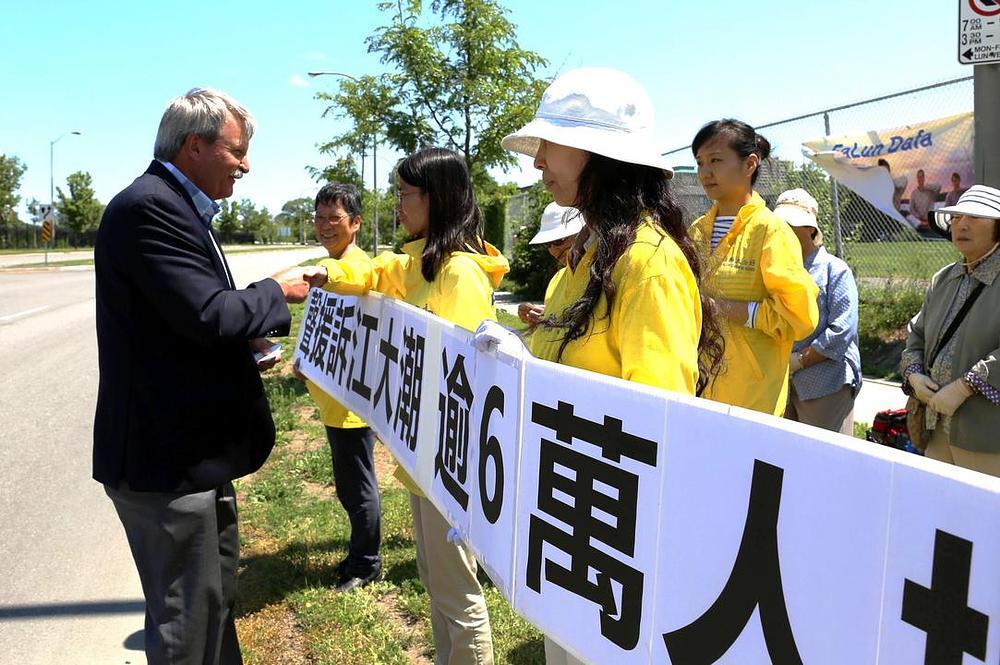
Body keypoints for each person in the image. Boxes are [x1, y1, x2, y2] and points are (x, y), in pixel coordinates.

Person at [495, 66, 725, 665]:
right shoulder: (591, 256)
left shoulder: (647, 262)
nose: (538, 160)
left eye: (550, 143)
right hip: (571, 516)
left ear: (598, 153)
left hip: (609, 539)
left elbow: (659, 421)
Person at [94, 88, 310, 664]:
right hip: (166, 462)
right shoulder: (150, 207)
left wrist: (246, 341)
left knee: (211, 607)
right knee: (185, 625)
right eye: (238, 151)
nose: (246, 165)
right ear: (195, 145)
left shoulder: (175, 205)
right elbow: (208, 314)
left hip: (193, 455)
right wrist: (278, 293)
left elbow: (179, 321)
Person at [304, 147, 507, 665]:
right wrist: (331, 277)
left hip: (448, 460)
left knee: (457, 593)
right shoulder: (418, 260)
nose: (397, 204)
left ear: (435, 198)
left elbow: (463, 376)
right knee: (435, 581)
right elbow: (372, 275)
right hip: (422, 456)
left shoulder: (458, 274)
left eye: (405, 194)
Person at [689, 119, 819, 415]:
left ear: (749, 165)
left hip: (751, 399)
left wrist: (722, 308)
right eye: (700, 162)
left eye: (716, 160)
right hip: (699, 388)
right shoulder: (696, 231)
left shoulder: (771, 231)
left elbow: (799, 317)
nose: (705, 172)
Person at [293, 183, 382, 593]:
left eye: (335, 218)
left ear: (356, 223)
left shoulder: (353, 268)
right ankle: (357, 554)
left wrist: (329, 276)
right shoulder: (327, 266)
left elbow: (359, 286)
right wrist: (305, 360)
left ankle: (366, 564)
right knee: (348, 487)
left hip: (351, 406)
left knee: (359, 488)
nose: (325, 226)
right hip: (332, 401)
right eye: (319, 217)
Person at [901, 184, 1000, 477]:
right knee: (940, 513)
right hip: (935, 427)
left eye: (976, 217)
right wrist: (915, 376)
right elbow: (916, 335)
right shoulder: (944, 278)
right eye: (957, 217)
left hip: (986, 435)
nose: (962, 225)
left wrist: (965, 386)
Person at [774, 189, 861, 434]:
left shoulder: (835, 270)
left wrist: (800, 360)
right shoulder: (774, 270)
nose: (784, 230)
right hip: (781, 381)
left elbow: (842, 330)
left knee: (823, 460)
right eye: (780, 224)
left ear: (811, 230)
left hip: (825, 383)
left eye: (792, 224)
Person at [516, 202, 583, 326]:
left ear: (582, 233)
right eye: (547, 244)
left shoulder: (601, 276)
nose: (553, 250)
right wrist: (542, 314)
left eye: (557, 241)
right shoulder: (557, 279)